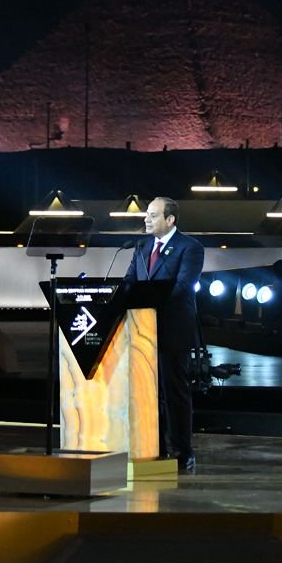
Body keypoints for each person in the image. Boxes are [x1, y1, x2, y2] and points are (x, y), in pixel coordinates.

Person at [124, 197, 206, 469]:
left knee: (174, 391)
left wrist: (147, 299)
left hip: (173, 329)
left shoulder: (190, 247)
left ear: (170, 220)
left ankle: (183, 451)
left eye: (152, 215)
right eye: (146, 214)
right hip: (142, 331)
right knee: (148, 391)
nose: (146, 219)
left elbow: (183, 286)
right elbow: (129, 282)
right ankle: (153, 448)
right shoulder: (142, 246)